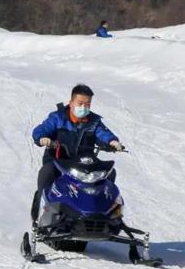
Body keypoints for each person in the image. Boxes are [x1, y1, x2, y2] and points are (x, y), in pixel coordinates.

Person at [30, 84, 124, 221]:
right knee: (47, 172)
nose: (84, 108)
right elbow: (39, 131)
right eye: (80, 103)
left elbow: (103, 133)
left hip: (83, 164)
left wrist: (112, 142)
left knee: (108, 173)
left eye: (87, 104)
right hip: (58, 161)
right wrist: (43, 139)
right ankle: (41, 216)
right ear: (71, 103)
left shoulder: (94, 122)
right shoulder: (58, 117)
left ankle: (106, 213)